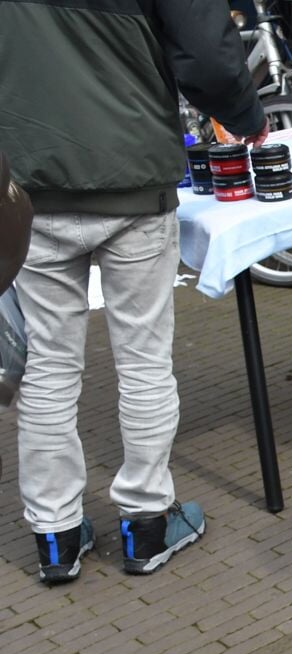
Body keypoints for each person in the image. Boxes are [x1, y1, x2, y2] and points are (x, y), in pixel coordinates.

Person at [0, 0, 266, 583]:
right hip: (133, 178)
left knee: (46, 365)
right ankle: (147, 524)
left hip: (29, 182)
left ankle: (55, 536)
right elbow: (208, 56)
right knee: (144, 359)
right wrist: (246, 116)